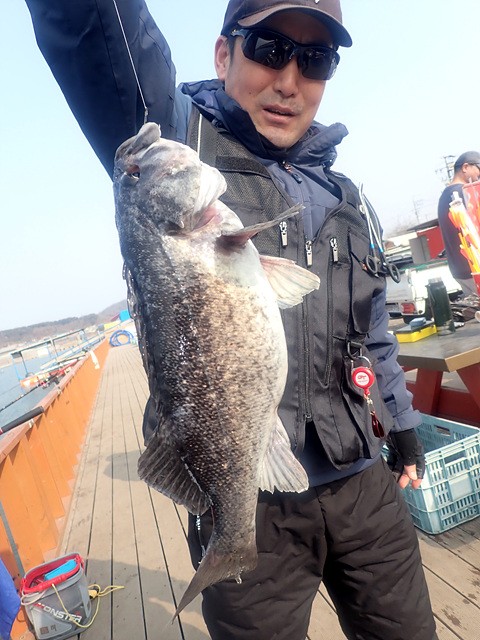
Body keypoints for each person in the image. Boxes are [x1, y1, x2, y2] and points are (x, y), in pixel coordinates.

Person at [24, 1, 437, 638]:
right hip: (249, 501)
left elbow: (374, 327)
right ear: (223, 55)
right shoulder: (177, 145)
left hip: (362, 481)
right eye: (270, 49)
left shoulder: (347, 197)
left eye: (316, 59)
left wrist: (403, 425)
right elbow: (98, 36)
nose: (290, 80)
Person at [437, 151, 480, 296]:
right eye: (479, 169)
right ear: (465, 167)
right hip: (473, 267)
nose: (479, 175)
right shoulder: (462, 193)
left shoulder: (445, 195)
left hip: (460, 269)